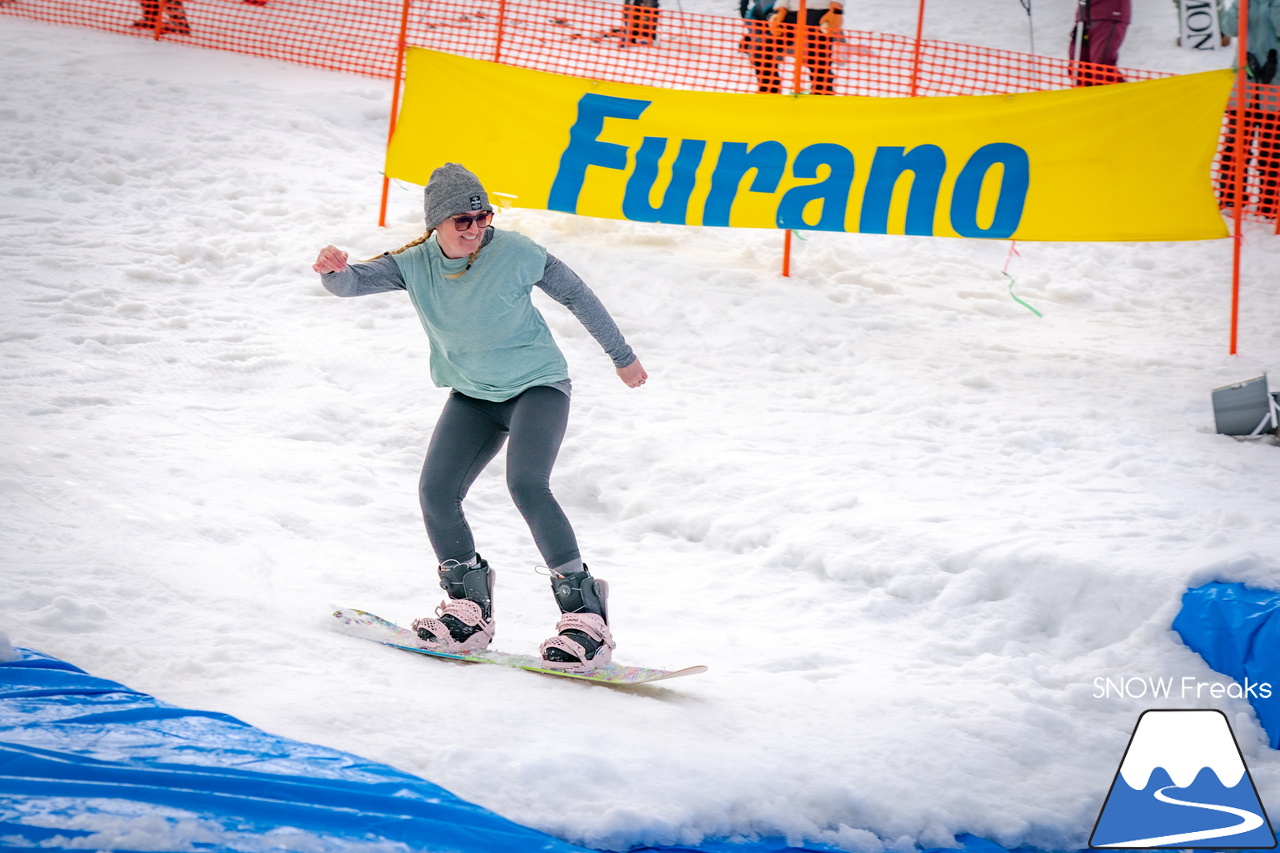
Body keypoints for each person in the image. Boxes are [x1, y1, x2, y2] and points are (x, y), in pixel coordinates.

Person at [312, 163, 648, 671]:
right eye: (461, 221)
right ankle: (468, 613)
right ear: (436, 225)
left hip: (538, 387)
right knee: (435, 491)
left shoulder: (517, 252)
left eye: (481, 216)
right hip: (473, 395)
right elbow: (350, 284)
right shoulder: (414, 263)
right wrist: (334, 270)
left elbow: (576, 294)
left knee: (527, 483)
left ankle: (586, 620)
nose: (473, 229)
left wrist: (621, 356)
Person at [1220, 0, 1280, 218]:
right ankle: (1231, 197)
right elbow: (1228, 29)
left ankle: (1270, 204)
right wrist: (1239, 6)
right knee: (1235, 145)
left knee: (1270, 150)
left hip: (1274, 84)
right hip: (1243, 84)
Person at [766, 0, 841, 95]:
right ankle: (769, 91)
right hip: (792, 12)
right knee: (764, 47)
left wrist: (836, 7)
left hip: (820, 11)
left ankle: (822, 93)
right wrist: (781, 8)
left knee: (818, 58)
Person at [1069, 0, 1131, 86]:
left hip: (1108, 14)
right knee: (1078, 67)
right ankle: (1088, 98)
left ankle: (1130, 97)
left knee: (1101, 69)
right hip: (1084, 16)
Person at [739, 0, 783, 94]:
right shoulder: (754, 14)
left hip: (779, 15)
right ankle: (768, 89)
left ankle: (769, 88)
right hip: (763, 17)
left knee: (762, 53)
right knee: (761, 54)